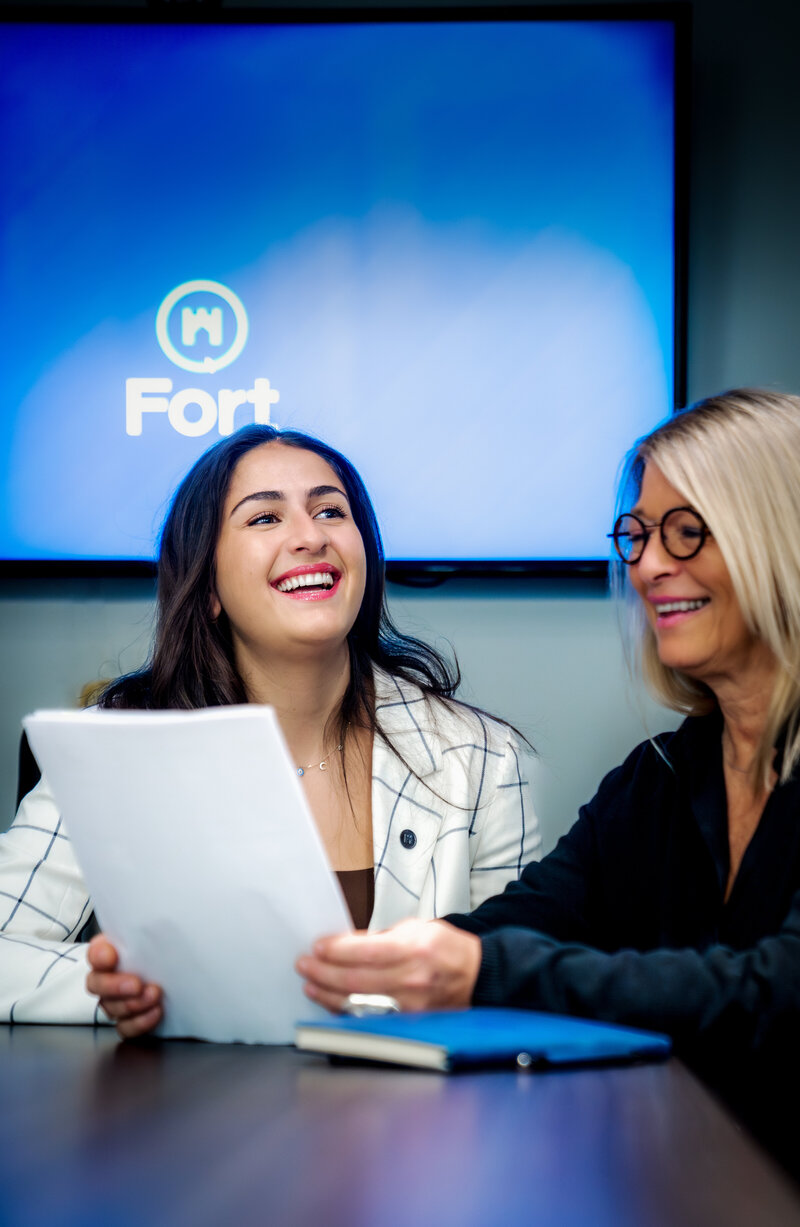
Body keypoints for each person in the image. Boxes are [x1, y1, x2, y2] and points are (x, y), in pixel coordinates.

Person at [297, 389, 800, 1176]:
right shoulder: (657, 781)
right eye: (635, 536)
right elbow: (534, 915)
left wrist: (481, 973)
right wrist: (350, 963)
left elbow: (772, 993)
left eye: (688, 532)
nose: (651, 566)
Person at [0, 425, 540, 1030]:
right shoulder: (111, 748)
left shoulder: (484, 759)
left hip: (412, 1117)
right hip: (187, 1112)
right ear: (206, 586)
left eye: (330, 511)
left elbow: (515, 981)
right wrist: (121, 990)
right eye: (264, 519)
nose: (310, 537)